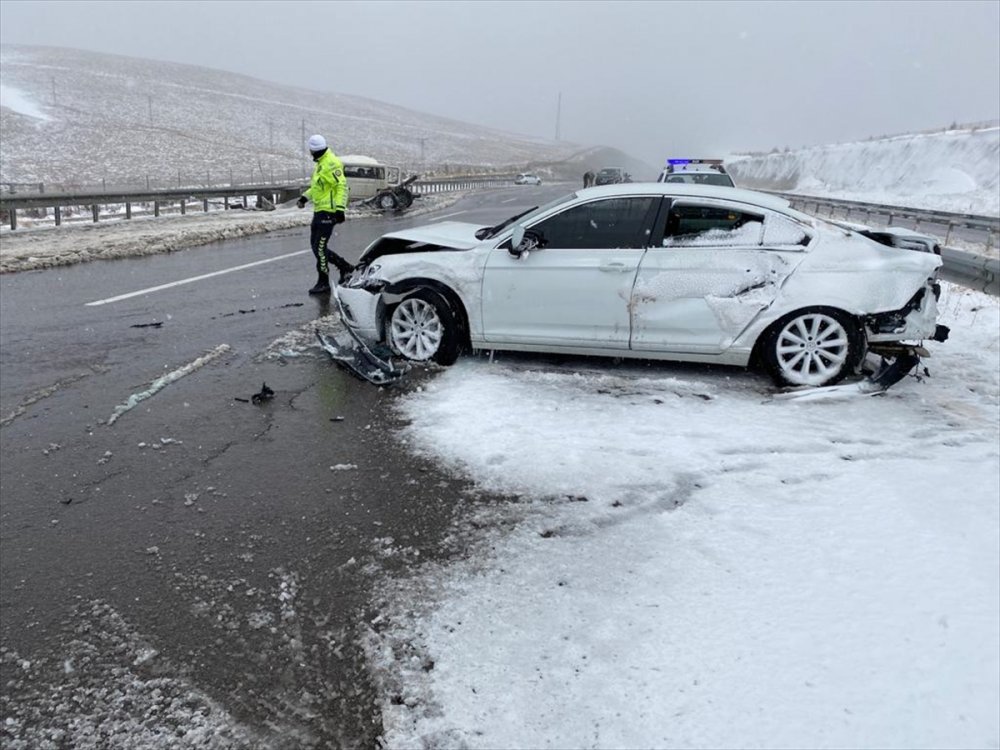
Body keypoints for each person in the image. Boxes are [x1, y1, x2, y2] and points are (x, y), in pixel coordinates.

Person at [297, 134, 352, 294]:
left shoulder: (331, 163)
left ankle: (323, 282)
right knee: (316, 247)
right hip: (319, 211)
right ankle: (345, 267)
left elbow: (342, 186)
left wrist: (340, 209)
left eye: (310, 151)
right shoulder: (320, 164)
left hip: (329, 212)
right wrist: (304, 198)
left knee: (320, 248)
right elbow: (317, 188)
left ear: (314, 150)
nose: (310, 153)